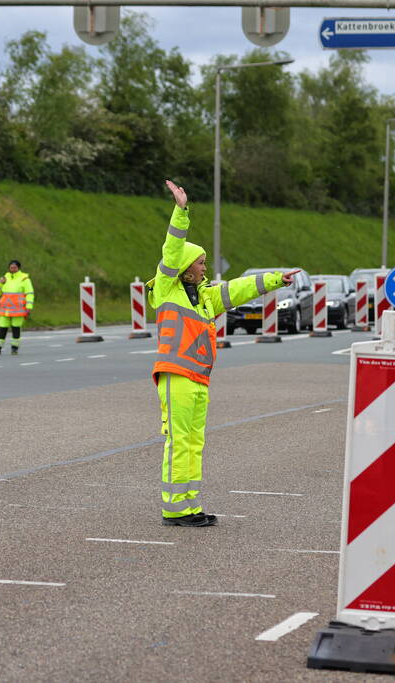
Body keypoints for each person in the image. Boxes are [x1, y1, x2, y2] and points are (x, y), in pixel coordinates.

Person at [147, 180, 297, 527]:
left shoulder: (204, 297)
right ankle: (174, 509)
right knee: (179, 441)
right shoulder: (168, 288)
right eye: (199, 263)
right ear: (184, 267)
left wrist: (276, 279)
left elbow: (239, 289)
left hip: (198, 377)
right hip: (176, 373)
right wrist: (181, 212)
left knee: (194, 442)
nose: (203, 267)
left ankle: (188, 504)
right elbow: (172, 250)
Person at [0, 260, 34, 355]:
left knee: (16, 329)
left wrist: (28, 307)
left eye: (14, 267)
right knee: (2, 329)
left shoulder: (24, 279)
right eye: (11, 267)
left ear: (18, 268)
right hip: (5, 309)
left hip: (18, 310)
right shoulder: (5, 278)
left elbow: (29, 294)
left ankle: (14, 349)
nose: (13, 269)